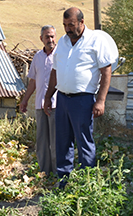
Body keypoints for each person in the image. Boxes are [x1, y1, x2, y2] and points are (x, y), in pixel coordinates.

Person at [43, 7, 118, 187]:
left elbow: (106, 71)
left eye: (71, 25)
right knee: (62, 141)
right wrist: (48, 97)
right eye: (65, 25)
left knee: (84, 141)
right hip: (62, 99)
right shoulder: (62, 42)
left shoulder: (95, 40)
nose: (67, 29)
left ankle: (87, 182)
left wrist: (100, 100)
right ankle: (64, 182)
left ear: (82, 22)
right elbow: (55, 71)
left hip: (83, 100)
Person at [18, 25, 58, 176]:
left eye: (52, 36)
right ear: (41, 39)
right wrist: (25, 100)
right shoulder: (37, 57)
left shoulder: (60, 55)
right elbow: (33, 82)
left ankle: (57, 174)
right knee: (41, 141)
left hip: (56, 105)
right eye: (47, 37)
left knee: (55, 142)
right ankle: (44, 173)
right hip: (40, 106)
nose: (50, 39)